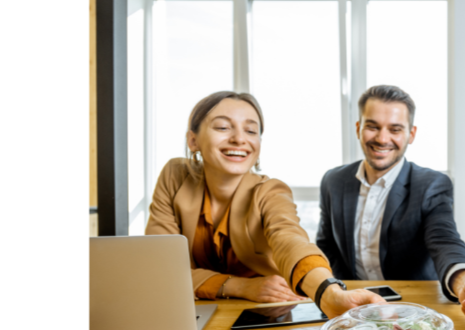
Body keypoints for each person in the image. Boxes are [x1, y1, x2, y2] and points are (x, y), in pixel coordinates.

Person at [146, 91, 386, 318]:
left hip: (264, 314)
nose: (239, 139)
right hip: (188, 313)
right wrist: (241, 286)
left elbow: (291, 241)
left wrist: (329, 293)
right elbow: (158, 268)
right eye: (222, 127)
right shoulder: (175, 175)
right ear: (193, 140)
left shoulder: (270, 191)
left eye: (251, 131)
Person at [317, 85, 465, 315]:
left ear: (411, 134)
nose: (382, 138)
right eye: (372, 126)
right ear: (358, 128)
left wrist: (464, 280)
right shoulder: (333, 181)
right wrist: (329, 291)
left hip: (415, 308)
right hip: (351, 308)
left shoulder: (432, 185)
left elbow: (444, 240)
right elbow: (326, 248)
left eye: (395, 129)